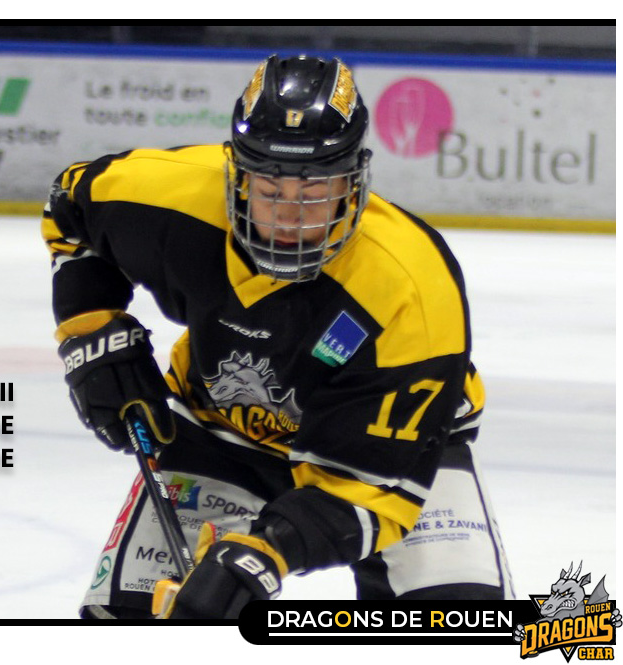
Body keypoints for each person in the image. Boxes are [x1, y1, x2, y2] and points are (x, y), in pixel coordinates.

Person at [42, 54, 513, 620]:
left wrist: (267, 553)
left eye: (314, 192)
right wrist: (91, 332)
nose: (290, 216)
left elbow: (370, 488)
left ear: (354, 183)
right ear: (236, 174)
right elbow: (69, 209)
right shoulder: (167, 195)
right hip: (219, 428)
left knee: (457, 628)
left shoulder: (411, 285)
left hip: (393, 453)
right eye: (270, 189)